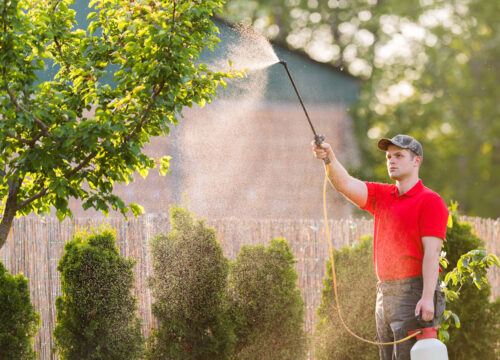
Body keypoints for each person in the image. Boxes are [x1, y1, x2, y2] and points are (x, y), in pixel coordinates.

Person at [312, 134, 448, 360]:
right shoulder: (382, 195)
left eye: (399, 156)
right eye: (388, 157)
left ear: (417, 161)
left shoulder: (430, 201)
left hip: (413, 295)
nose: (391, 161)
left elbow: (432, 254)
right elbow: (345, 184)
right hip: (384, 294)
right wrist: (329, 159)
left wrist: (426, 298)